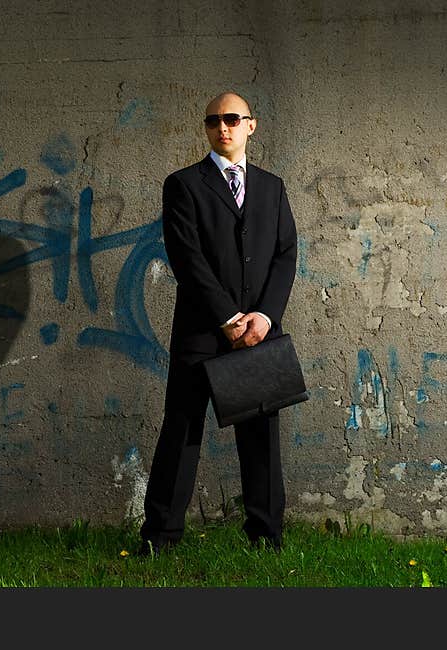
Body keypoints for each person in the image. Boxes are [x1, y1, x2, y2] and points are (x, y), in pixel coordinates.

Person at [138, 92, 298, 555]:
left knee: (261, 437)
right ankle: (160, 538)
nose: (221, 127)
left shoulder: (273, 188)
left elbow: (285, 254)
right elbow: (186, 258)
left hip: (258, 334)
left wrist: (264, 316)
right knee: (182, 432)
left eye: (231, 119)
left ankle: (267, 539)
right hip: (202, 332)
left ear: (252, 125)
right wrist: (228, 317)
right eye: (213, 121)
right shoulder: (184, 184)